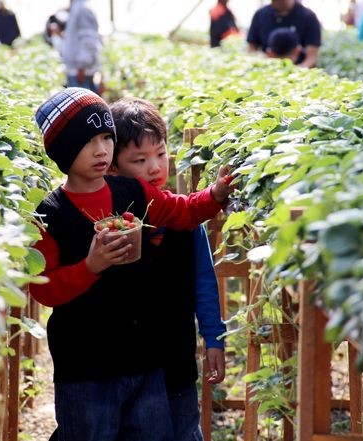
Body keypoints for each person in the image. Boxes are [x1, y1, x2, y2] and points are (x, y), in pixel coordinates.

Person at [29, 87, 233, 441]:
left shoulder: (133, 194)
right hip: (85, 365)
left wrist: (214, 196)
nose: (101, 148)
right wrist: (91, 265)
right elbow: (44, 288)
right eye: (88, 141)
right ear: (63, 152)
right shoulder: (48, 214)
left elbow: (181, 209)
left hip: (145, 362)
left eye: (107, 137)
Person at [109, 97, 227, 441]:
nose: (154, 167)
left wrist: (214, 337)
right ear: (113, 168)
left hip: (176, 357)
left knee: (182, 428)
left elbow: (203, 282)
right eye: (140, 160)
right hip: (125, 363)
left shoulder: (186, 219)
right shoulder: (112, 224)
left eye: (160, 154)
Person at [247, 0, 321, 68]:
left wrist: (296, 71)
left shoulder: (308, 16)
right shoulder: (260, 14)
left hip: (300, 70)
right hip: (268, 69)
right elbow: (251, 49)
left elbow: (312, 57)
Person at [56, 0, 102, 93]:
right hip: (77, 69)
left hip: (79, 71)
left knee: (83, 103)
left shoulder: (83, 9)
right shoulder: (78, 6)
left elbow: (88, 39)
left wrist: (82, 67)